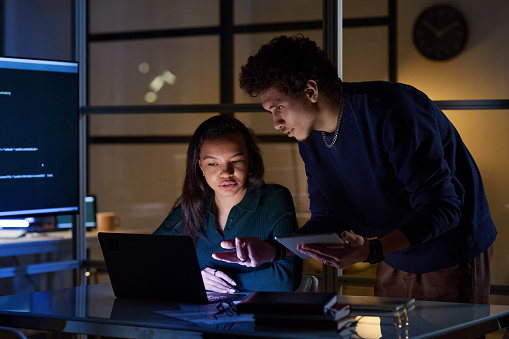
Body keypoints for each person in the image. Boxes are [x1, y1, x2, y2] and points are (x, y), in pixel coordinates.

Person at [213, 35, 497, 303]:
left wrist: (373, 249)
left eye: (278, 107)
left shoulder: (388, 110)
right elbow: (327, 217)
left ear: (310, 91)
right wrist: (273, 250)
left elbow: (444, 207)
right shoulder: (310, 138)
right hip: (391, 254)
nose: (276, 122)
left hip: (448, 252)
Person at [153, 115, 302, 293]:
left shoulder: (274, 199)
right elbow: (147, 261)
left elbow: (286, 279)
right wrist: (194, 278)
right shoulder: (193, 206)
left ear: (250, 161)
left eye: (236, 161)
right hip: (202, 318)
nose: (226, 173)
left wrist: (218, 284)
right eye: (213, 163)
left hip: (258, 318)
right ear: (200, 166)